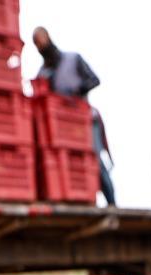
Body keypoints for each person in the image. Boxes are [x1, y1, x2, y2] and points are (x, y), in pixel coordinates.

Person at [32, 26, 116, 206]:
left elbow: (94, 80)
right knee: (70, 162)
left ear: (48, 37)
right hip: (61, 126)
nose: (40, 46)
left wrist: (78, 90)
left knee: (94, 159)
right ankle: (80, 200)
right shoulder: (43, 73)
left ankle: (112, 204)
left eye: (41, 40)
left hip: (84, 120)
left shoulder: (73, 59)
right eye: (37, 44)